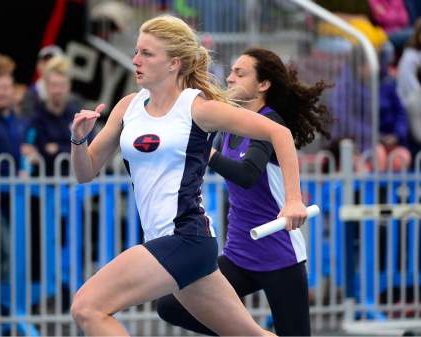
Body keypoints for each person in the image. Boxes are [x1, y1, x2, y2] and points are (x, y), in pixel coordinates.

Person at [69, 15, 307, 336]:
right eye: (137, 51)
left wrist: (293, 199)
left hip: (185, 239)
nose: (136, 60)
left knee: (87, 306)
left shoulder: (198, 108)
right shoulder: (128, 106)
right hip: (172, 244)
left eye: (147, 54)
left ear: (174, 64)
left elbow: (278, 133)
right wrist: (79, 139)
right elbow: (85, 172)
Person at [156, 48, 332, 336]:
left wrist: (207, 153)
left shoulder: (270, 123)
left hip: (279, 255)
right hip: (239, 254)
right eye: (230, 72)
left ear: (263, 85)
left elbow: (247, 175)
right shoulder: (230, 123)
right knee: (171, 306)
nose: (229, 78)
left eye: (240, 73)